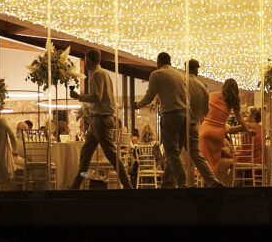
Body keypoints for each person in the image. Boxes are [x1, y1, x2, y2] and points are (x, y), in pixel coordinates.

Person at [69, 49, 133, 189]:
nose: (85, 63)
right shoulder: (104, 74)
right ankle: (76, 185)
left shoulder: (97, 74)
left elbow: (96, 96)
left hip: (100, 119)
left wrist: (79, 97)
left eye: (85, 59)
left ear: (89, 60)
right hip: (98, 119)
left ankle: (128, 186)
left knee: (111, 155)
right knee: (86, 153)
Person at [133, 52, 190, 187]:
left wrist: (138, 105)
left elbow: (149, 95)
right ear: (170, 62)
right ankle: (167, 183)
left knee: (171, 152)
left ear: (158, 62)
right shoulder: (180, 75)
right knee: (175, 152)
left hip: (171, 114)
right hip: (185, 115)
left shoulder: (157, 74)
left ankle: (182, 182)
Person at [199, 78, 254, 185]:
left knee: (205, 163)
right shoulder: (232, 101)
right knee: (214, 163)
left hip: (206, 130)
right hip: (218, 134)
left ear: (224, 86)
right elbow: (240, 118)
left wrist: (203, 122)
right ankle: (211, 186)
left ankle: (204, 186)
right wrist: (248, 129)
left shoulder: (211, 95)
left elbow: (202, 113)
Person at [185, 59, 225, 187]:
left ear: (186, 68)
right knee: (196, 156)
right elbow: (205, 111)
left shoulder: (181, 82)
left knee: (182, 158)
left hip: (181, 123)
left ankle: (185, 186)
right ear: (196, 70)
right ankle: (211, 181)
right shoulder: (202, 86)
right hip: (194, 124)